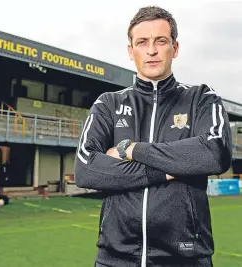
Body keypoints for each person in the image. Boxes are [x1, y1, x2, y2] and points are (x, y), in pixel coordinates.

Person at [74, 5, 232, 267]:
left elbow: (214, 153)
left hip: (186, 258)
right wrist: (167, 169)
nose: (151, 50)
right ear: (130, 50)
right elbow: (86, 169)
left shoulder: (201, 98)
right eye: (142, 42)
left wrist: (131, 149)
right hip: (115, 259)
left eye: (161, 41)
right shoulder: (108, 104)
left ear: (175, 48)